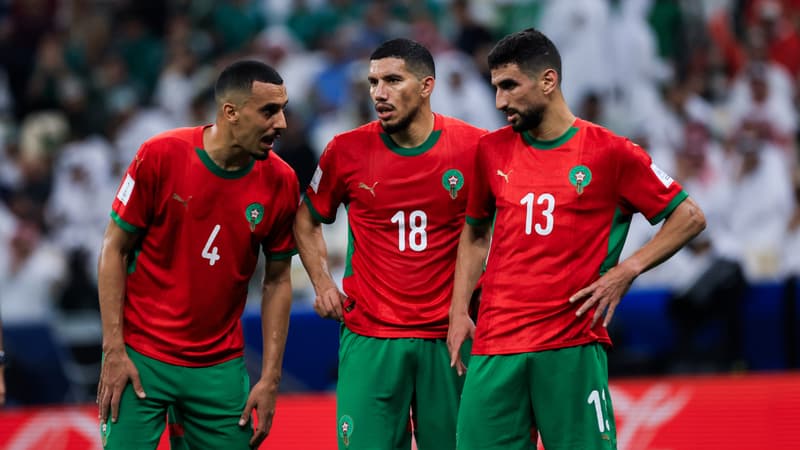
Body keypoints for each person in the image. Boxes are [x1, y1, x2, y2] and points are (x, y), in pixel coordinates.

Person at [447, 28, 706, 450]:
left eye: (509, 86)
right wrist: (459, 312)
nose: (500, 101)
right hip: (495, 344)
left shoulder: (611, 152)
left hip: (569, 343)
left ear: (548, 81)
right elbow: (475, 233)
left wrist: (627, 270)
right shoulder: (490, 150)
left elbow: (689, 216)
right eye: (495, 88)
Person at [294, 38, 485, 450]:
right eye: (373, 81)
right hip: (370, 337)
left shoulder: (475, 148)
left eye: (393, 80)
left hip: (449, 336)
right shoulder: (345, 151)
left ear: (426, 85)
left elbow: (492, 233)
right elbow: (306, 220)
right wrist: (323, 283)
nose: (379, 92)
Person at [96, 60, 298, 449]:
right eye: (269, 111)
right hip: (141, 357)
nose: (282, 123)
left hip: (218, 368)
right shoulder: (160, 155)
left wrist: (270, 378)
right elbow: (113, 249)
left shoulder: (281, 181)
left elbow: (278, 280)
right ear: (230, 112)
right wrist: (114, 349)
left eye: (283, 109)